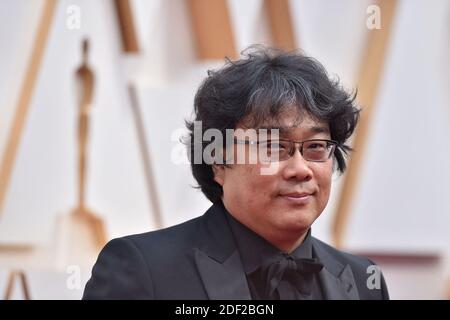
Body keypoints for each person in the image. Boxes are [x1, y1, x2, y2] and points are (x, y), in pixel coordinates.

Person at [83, 46, 389, 300]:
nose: (300, 169)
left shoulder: (364, 282)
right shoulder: (144, 270)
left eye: (316, 146)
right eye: (272, 146)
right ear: (217, 160)